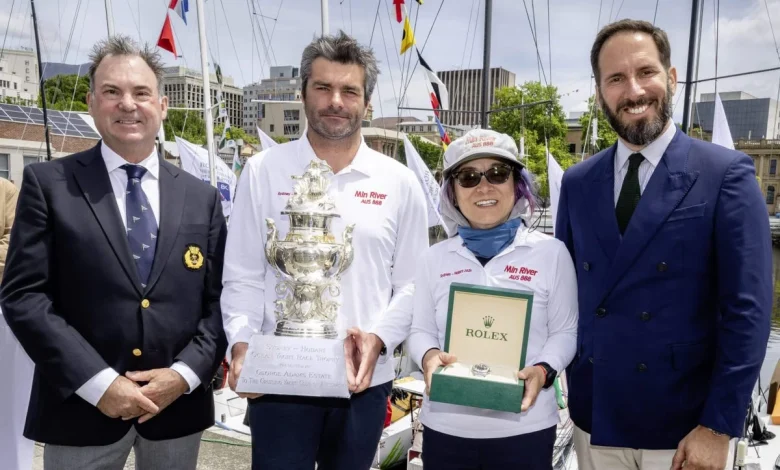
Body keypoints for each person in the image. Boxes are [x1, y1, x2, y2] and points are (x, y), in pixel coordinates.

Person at [1, 35, 228, 469]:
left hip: (176, 410)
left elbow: (220, 300)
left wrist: (183, 375)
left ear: (162, 105)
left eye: (141, 92)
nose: (128, 104)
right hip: (80, 409)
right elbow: (24, 297)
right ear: (91, 102)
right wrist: (99, 383)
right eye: (112, 91)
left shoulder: (202, 198)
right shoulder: (48, 185)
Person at [555, 19, 772, 470]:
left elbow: (747, 313)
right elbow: (564, 295)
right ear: (599, 93)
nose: (633, 91)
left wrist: (718, 427)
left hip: (685, 427)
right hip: (595, 417)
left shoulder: (726, 174)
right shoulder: (577, 182)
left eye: (646, 72)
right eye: (616, 78)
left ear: (671, 78)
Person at [221, 31, 428, 470]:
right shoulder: (261, 171)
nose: (336, 101)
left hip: (362, 378)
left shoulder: (400, 182)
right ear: (302, 94)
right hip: (278, 377)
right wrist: (240, 345)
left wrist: (378, 340)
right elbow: (242, 276)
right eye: (323, 87)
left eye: (349, 91)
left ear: (367, 103)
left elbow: (412, 285)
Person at [407, 129, 578, 470]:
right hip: (446, 428)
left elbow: (566, 331)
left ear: (517, 183)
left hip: (526, 428)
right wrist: (428, 356)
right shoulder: (433, 258)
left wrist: (543, 371)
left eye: (498, 174)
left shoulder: (552, 253)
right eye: (468, 177)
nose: (484, 187)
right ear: (452, 192)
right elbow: (420, 330)